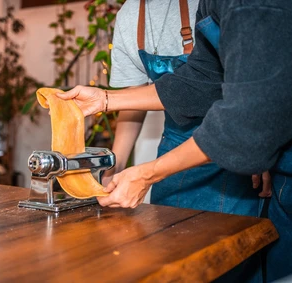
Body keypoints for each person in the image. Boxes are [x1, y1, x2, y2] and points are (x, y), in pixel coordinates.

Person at [57, 0, 292, 281]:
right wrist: (106, 100)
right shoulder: (208, 5)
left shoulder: (247, 4)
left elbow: (249, 118)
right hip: (214, 138)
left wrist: (147, 173)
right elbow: (202, 80)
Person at [106, 0, 269, 218]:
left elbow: (253, 79)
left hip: (230, 140)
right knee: (165, 236)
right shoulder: (128, 15)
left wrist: (262, 143)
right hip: (172, 148)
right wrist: (116, 164)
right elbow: (134, 97)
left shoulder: (212, 5)